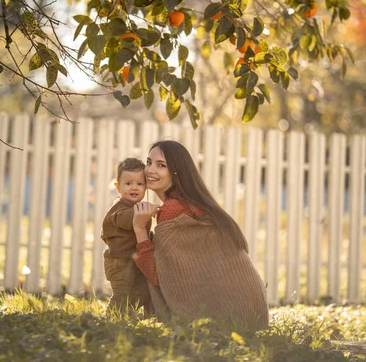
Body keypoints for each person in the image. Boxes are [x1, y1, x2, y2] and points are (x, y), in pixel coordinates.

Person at [132, 141, 269, 330]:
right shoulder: (192, 203)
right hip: (253, 310)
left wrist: (140, 229)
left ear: (176, 172)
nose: (150, 170)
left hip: (232, 313)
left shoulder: (173, 208)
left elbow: (159, 276)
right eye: (148, 162)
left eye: (161, 165)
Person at [100, 157, 153, 315]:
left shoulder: (136, 207)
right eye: (128, 183)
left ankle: (137, 314)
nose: (134, 188)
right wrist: (145, 211)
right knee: (122, 295)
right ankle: (111, 318)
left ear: (146, 186)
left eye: (139, 183)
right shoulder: (120, 207)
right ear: (118, 187)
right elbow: (125, 220)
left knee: (142, 290)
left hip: (131, 260)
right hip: (118, 262)